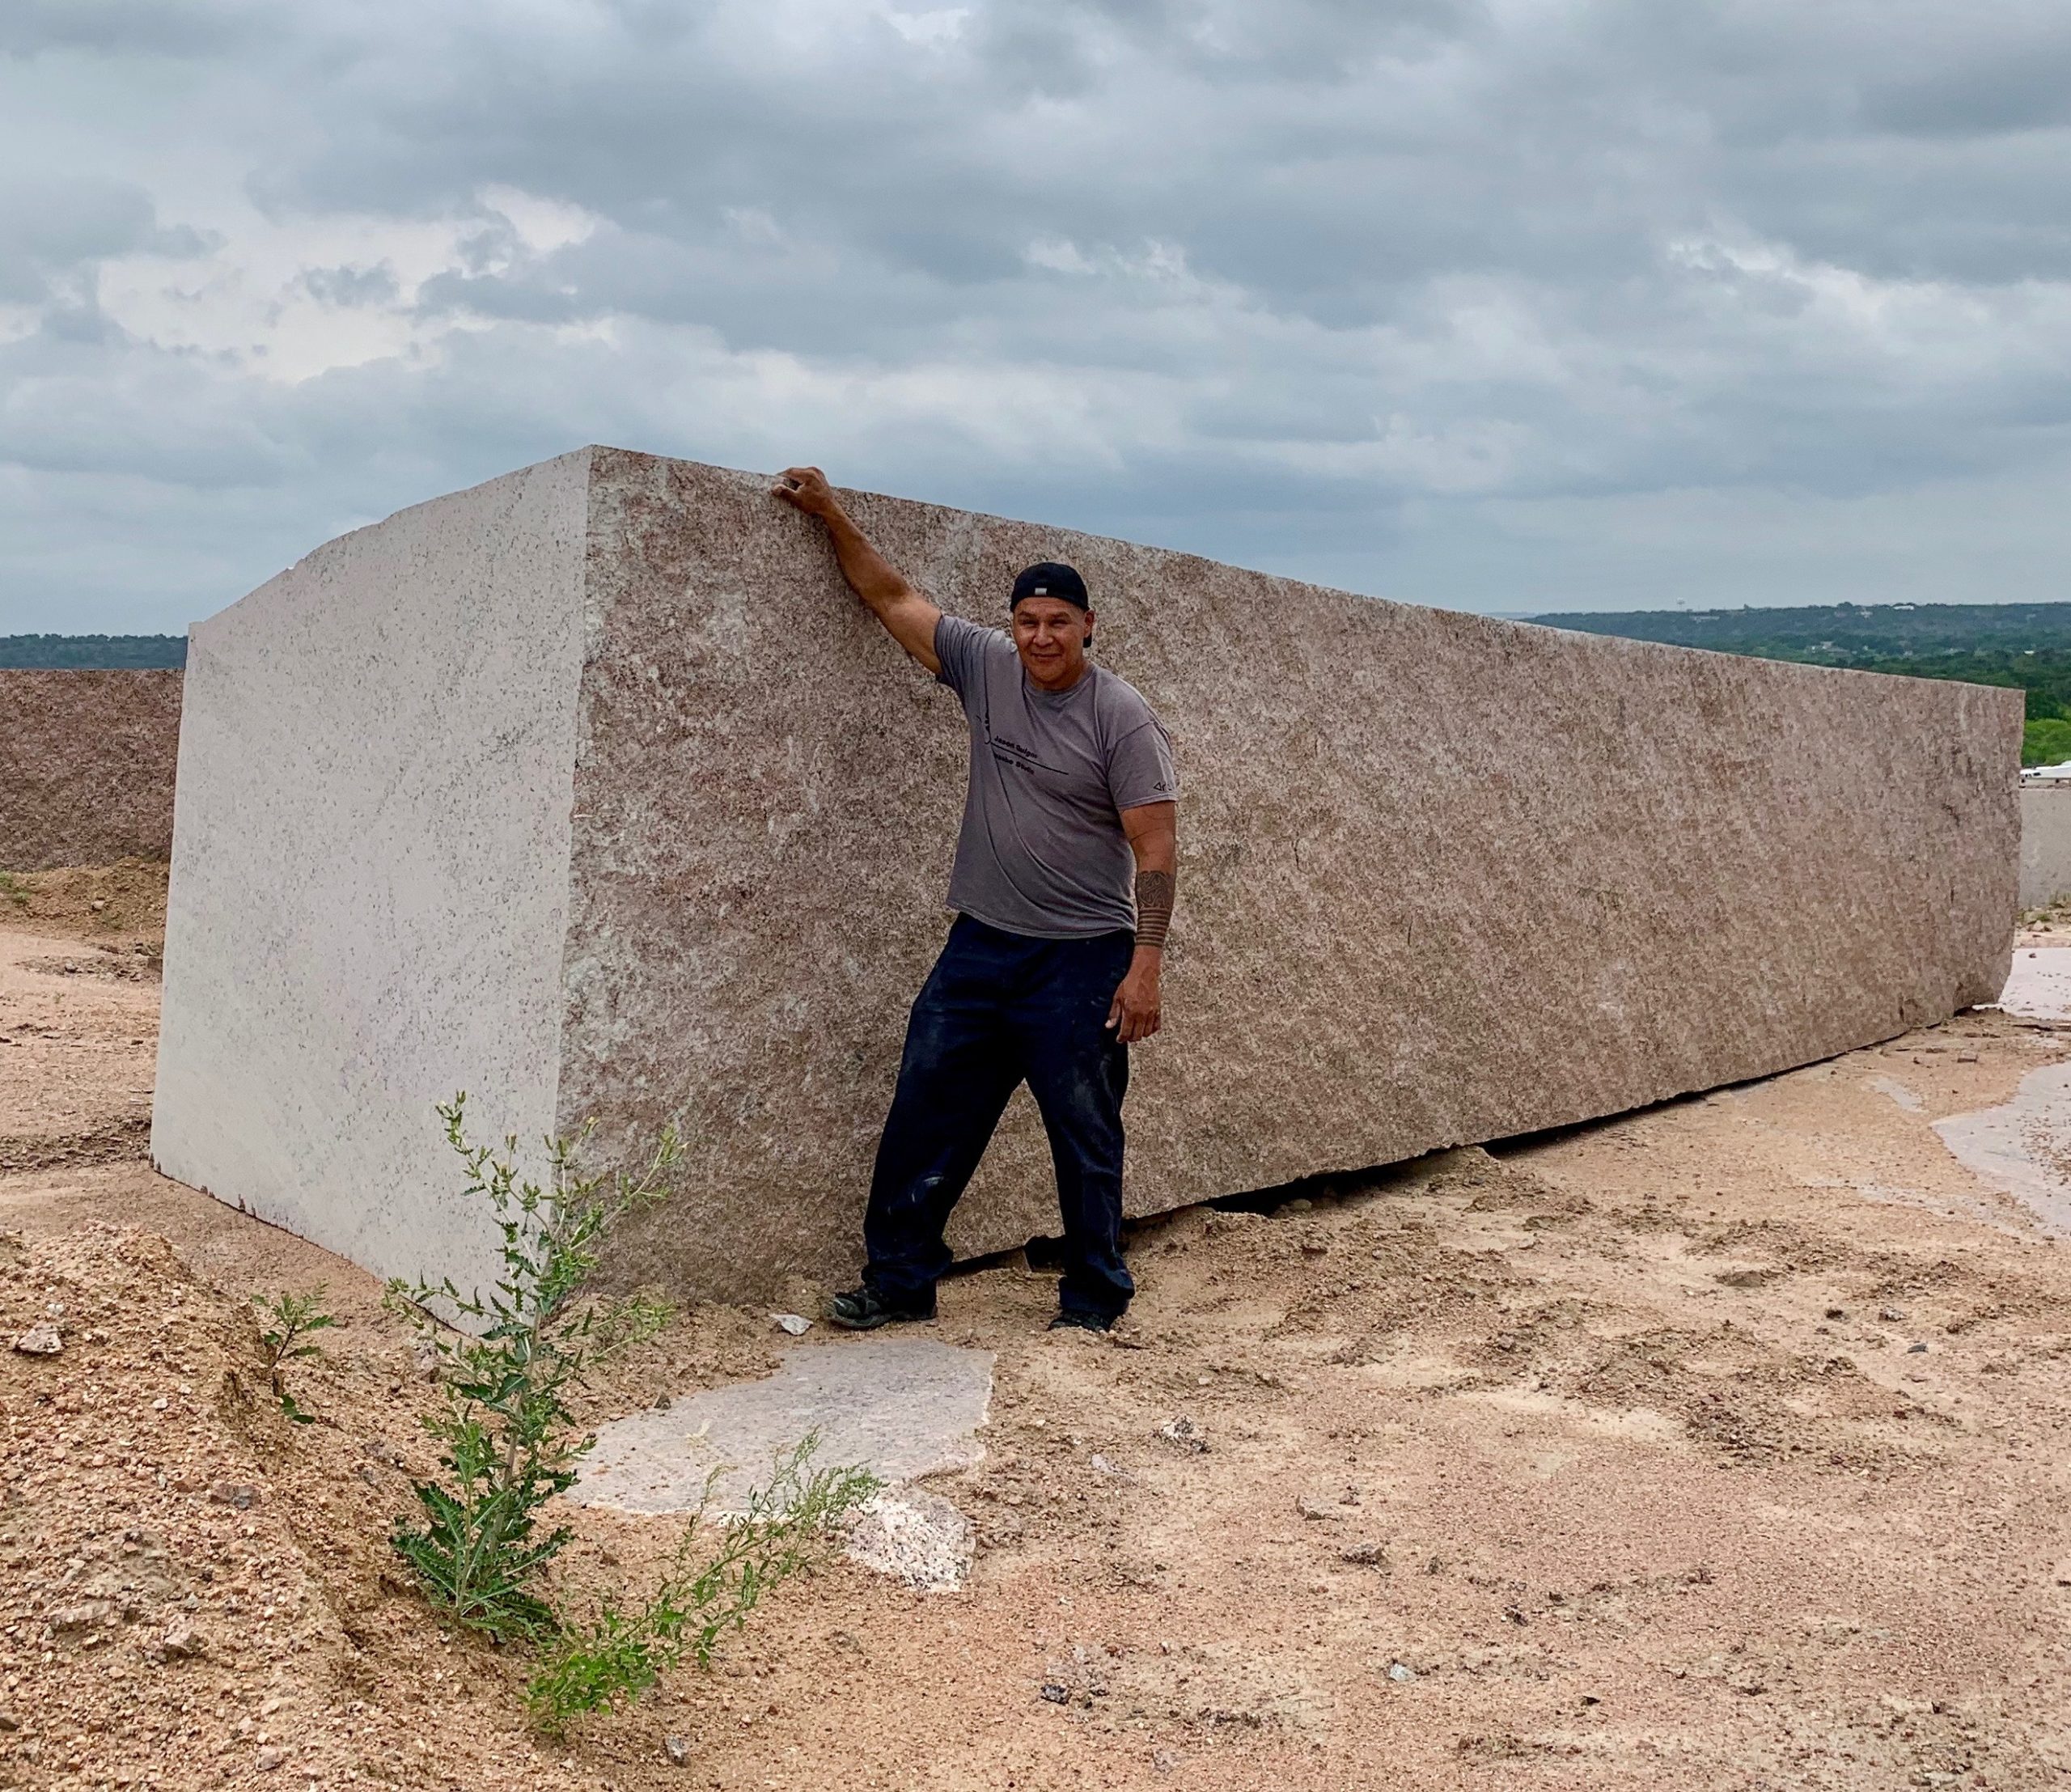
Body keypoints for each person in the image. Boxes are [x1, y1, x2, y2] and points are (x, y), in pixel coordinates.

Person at [773, 465, 1179, 1333]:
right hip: (982, 946)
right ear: (1012, 625)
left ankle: (1093, 1297)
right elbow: (890, 598)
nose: (1040, 637)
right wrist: (830, 514)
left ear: (1087, 627)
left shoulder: (1121, 718)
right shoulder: (985, 666)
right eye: (1027, 621)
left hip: (1081, 956)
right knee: (925, 1112)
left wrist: (1143, 968)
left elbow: (1155, 848)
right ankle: (899, 1282)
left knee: (1084, 1132)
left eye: (1057, 623)